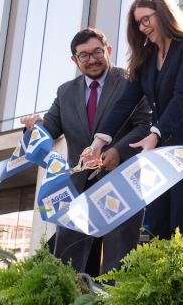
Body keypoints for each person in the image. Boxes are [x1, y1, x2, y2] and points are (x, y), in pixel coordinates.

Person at [20, 27, 152, 276]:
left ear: (108, 50)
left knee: (119, 263)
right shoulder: (65, 92)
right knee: (68, 264)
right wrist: (33, 130)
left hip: (121, 183)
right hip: (76, 188)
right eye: (84, 55)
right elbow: (50, 130)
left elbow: (144, 125)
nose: (91, 59)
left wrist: (118, 151)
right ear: (75, 60)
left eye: (97, 52)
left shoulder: (131, 81)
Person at [89, 0, 183, 240]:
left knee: (182, 222)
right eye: (137, 23)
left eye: (146, 19)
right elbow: (124, 103)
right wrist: (98, 142)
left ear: (163, 14)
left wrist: (155, 133)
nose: (142, 27)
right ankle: (156, 279)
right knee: (157, 222)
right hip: (160, 149)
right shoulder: (146, 59)